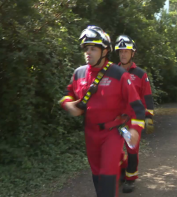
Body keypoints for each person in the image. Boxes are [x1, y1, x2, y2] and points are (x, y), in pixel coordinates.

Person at [58, 25, 145, 197]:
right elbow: (66, 95)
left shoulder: (119, 74)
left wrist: (135, 129)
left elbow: (137, 106)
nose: (88, 53)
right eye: (86, 49)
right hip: (90, 133)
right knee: (97, 175)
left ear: (105, 51)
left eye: (93, 49)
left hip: (112, 133)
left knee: (107, 175)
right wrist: (68, 105)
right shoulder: (78, 73)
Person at [114, 35, 154, 193]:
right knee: (116, 149)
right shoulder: (112, 72)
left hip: (134, 120)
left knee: (131, 149)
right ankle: (122, 171)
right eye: (120, 51)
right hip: (116, 120)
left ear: (132, 53)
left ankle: (130, 179)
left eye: (126, 51)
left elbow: (147, 96)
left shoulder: (140, 74)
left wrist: (149, 117)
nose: (123, 54)